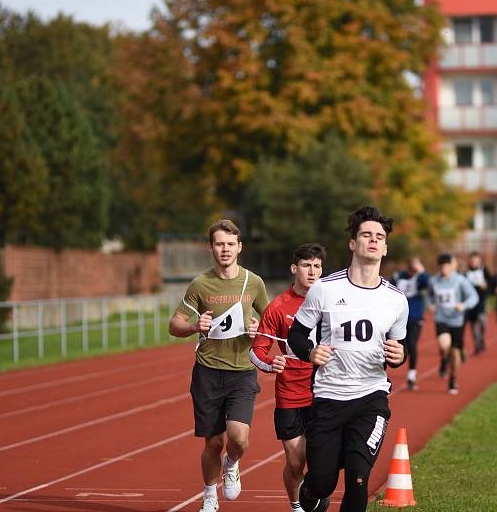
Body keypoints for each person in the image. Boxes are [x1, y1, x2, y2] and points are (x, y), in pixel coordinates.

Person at [287, 206, 409, 512]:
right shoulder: (324, 290)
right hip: (329, 396)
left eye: (379, 236)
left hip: (371, 397)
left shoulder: (396, 299)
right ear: (352, 243)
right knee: (323, 481)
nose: (373, 240)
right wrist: (311, 352)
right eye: (366, 234)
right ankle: (313, 490)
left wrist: (399, 354)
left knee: (358, 477)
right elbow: (297, 336)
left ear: (385, 246)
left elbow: (399, 346)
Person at [168, 219, 269, 512]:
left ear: (239, 247)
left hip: (241, 371)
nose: (225, 249)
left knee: (238, 440)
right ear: (210, 248)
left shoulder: (254, 282)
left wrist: (257, 326)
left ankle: (232, 462)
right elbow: (174, 324)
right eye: (219, 244)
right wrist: (193, 326)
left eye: (230, 244)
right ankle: (209, 496)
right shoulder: (200, 284)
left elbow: (270, 318)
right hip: (208, 371)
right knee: (212, 443)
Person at [249, 243, 326, 512]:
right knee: (296, 463)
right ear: (295, 268)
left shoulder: (333, 302)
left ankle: (317, 495)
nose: (312, 271)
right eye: (307, 265)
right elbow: (256, 351)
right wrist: (272, 362)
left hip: (326, 391)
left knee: (323, 459)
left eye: (317, 266)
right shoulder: (277, 307)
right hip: (290, 394)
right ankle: (296, 506)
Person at [429, 253, 478, 394]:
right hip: (441, 319)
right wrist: (431, 304)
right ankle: (444, 360)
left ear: (452, 266)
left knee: (455, 350)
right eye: (441, 266)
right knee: (444, 345)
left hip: (456, 320)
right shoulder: (434, 281)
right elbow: (430, 296)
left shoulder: (459, 280)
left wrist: (464, 305)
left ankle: (453, 378)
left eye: (446, 266)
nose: (444, 269)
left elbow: (473, 296)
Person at [391, 256, 430, 391]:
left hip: (415, 317)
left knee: (412, 345)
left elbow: (428, 284)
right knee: (395, 346)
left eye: (416, 264)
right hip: (398, 318)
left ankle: (411, 375)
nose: (413, 267)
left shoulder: (420, 278)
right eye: (412, 264)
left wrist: (422, 271)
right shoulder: (399, 276)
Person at [464, 251, 492, 356]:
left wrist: (486, 286)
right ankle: (477, 344)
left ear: (480, 261)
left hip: (481, 300)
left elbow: (492, 282)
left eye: (476, 261)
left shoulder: (484, 271)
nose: (474, 263)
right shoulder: (466, 273)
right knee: (473, 324)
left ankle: (482, 338)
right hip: (471, 302)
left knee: (482, 320)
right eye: (472, 261)